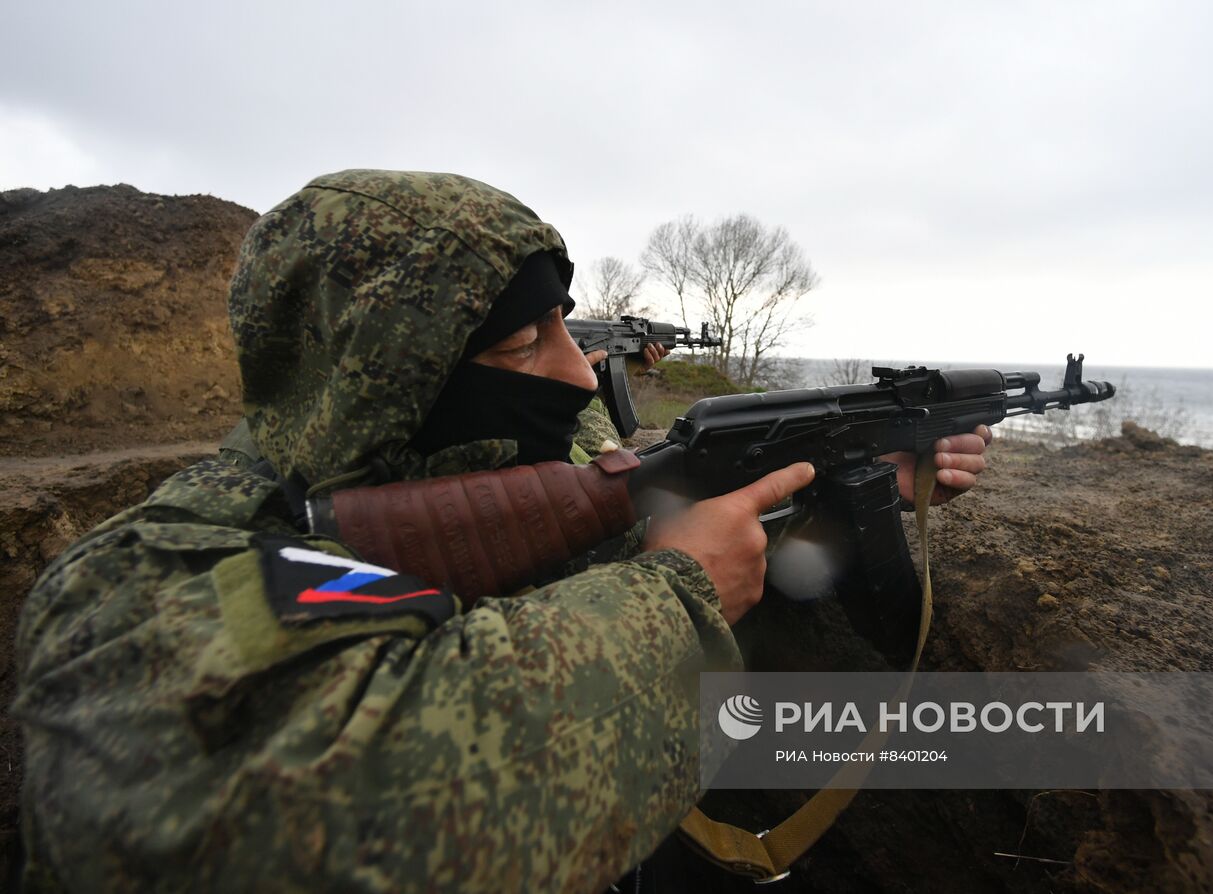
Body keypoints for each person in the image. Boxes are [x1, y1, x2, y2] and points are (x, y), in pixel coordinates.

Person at [13, 170, 990, 892]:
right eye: (525, 344)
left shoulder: (532, 472)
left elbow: (719, 639)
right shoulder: (145, 588)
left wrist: (859, 498)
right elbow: (322, 821)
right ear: (388, 379)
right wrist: (674, 595)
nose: (576, 376)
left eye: (568, 327)